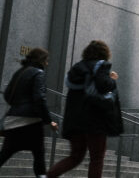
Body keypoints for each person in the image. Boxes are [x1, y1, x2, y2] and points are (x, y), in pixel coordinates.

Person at [47, 40, 123, 178]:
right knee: (97, 158)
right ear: (105, 53)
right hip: (95, 122)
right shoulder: (101, 66)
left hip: (74, 121)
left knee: (75, 156)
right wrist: (112, 79)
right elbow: (103, 85)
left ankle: (49, 175)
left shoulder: (77, 68)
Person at [0, 48, 58, 177]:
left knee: (6, 152)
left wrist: (18, 107)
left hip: (13, 120)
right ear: (41, 60)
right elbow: (39, 99)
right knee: (39, 154)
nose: (47, 64)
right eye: (46, 61)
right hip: (30, 122)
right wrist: (49, 121)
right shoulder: (39, 73)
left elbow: (7, 95)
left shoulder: (20, 72)